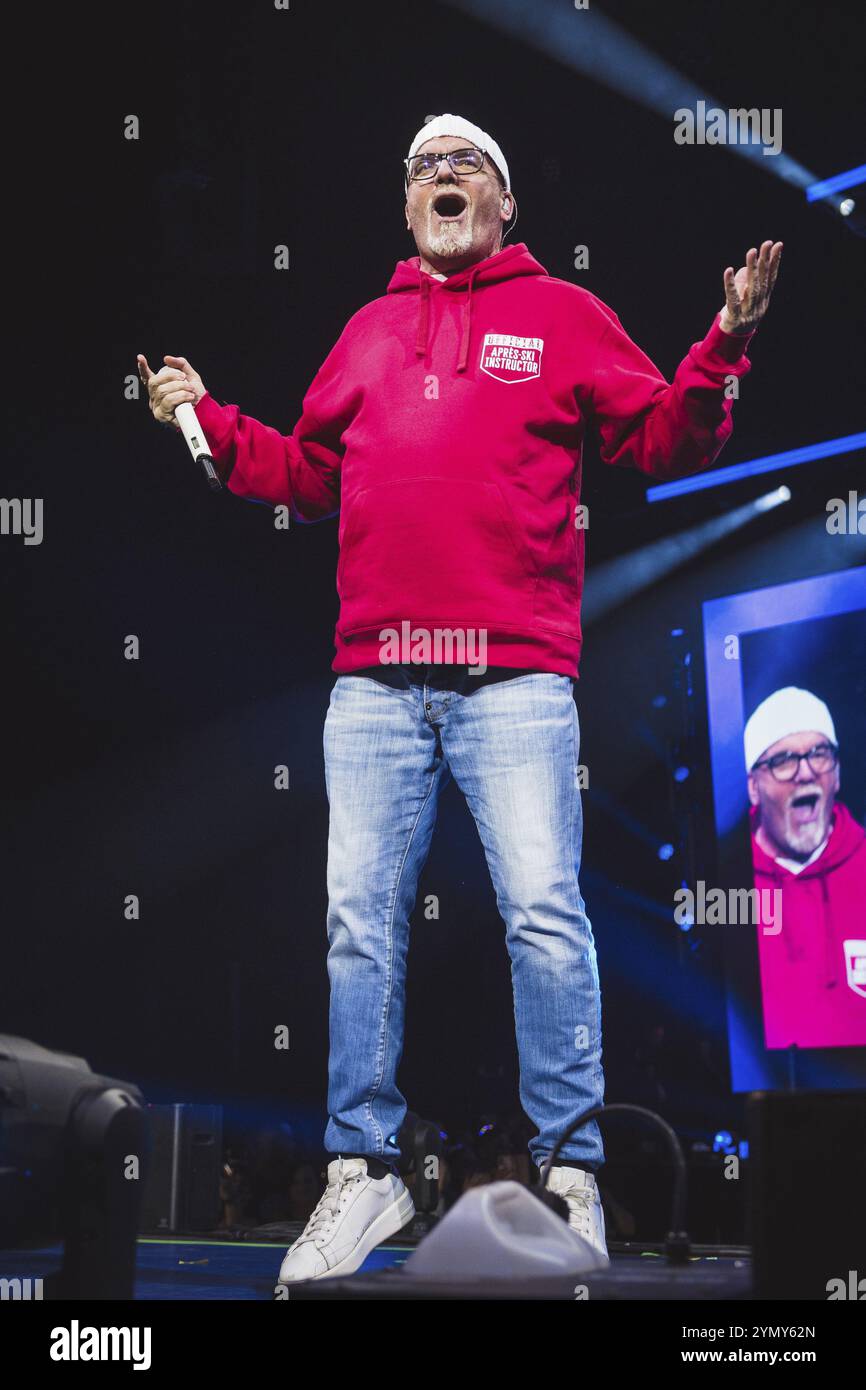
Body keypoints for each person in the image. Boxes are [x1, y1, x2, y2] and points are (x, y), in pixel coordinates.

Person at [139, 112, 782, 1283]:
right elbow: (303, 470)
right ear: (404, 209)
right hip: (374, 679)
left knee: (543, 914)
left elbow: (660, 438)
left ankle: (570, 1175)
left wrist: (722, 345)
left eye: (465, 167)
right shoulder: (369, 329)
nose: (442, 178)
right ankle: (362, 1175)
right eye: (422, 169)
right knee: (356, 926)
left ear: (503, 205)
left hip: (515, 676)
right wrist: (205, 420)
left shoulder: (561, 315)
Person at [744, 686, 866, 1049]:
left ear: (837, 774)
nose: (806, 772)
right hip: (773, 1098)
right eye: (783, 760)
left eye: (819, 753)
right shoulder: (730, 890)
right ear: (753, 788)